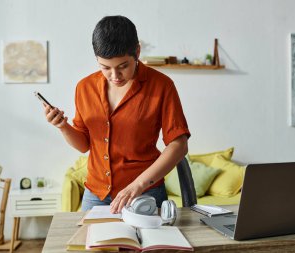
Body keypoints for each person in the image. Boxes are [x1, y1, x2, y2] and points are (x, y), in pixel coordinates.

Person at [44, 15, 190, 213]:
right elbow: (84, 145)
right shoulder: (84, 87)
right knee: (92, 244)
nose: (115, 76)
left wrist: (138, 185)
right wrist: (62, 126)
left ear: (137, 52)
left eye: (123, 66)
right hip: (96, 194)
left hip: (145, 192)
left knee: (152, 245)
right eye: (105, 68)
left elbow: (178, 145)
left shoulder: (161, 86)